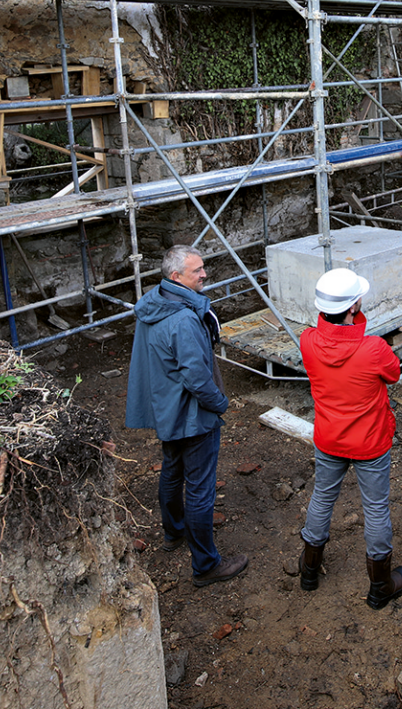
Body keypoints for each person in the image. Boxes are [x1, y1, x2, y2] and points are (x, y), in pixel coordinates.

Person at [126, 245, 249, 587]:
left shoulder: (156, 302)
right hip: (192, 415)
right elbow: (196, 377)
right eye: (198, 270)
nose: (205, 274)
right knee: (199, 488)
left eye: (203, 268)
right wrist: (220, 403)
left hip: (166, 408)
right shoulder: (182, 320)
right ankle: (206, 565)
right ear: (176, 276)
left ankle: (173, 533)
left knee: (171, 472)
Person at [297, 268, 402, 609]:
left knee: (322, 498)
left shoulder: (308, 340)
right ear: (355, 305)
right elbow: (394, 373)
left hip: (329, 436)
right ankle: (379, 585)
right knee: (375, 508)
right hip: (369, 441)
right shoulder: (373, 348)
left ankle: (309, 571)